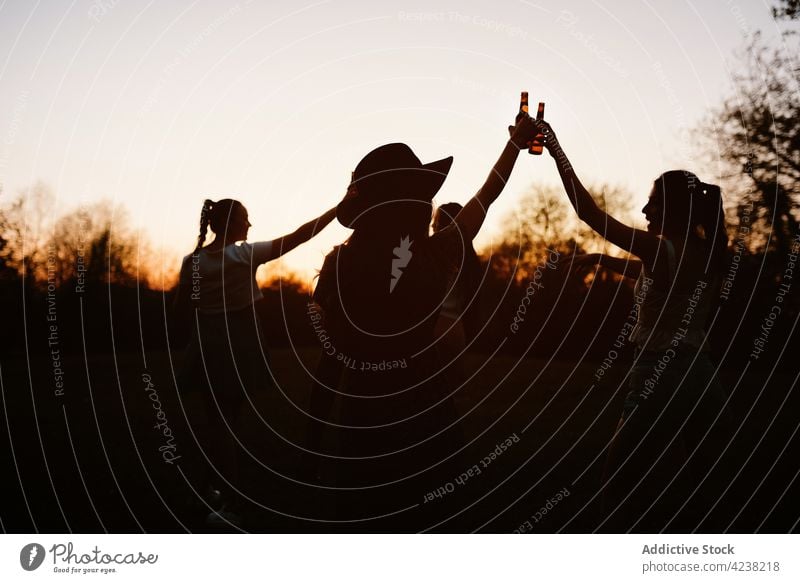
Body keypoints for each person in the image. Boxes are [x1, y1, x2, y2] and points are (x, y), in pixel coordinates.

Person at [309, 113, 540, 526]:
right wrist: (514, 147)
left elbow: (331, 360)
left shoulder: (339, 264)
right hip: (429, 411)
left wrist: (312, 439)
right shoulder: (435, 255)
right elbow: (484, 199)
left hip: (365, 419)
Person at [536, 121, 732, 531]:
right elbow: (661, 282)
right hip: (702, 379)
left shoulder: (659, 249)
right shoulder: (707, 251)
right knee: (702, 493)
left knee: (618, 487)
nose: (645, 211)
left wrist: (555, 149)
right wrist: (601, 260)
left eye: (653, 204)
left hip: (657, 376)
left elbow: (588, 213)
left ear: (673, 210)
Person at [174, 198, 336, 527]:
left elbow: (181, 307)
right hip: (239, 346)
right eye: (246, 220)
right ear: (233, 224)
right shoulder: (244, 255)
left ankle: (207, 492)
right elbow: (302, 235)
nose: (250, 226)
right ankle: (230, 504)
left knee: (221, 423)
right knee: (225, 424)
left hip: (206, 345)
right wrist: (341, 207)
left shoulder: (192, 261)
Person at [431, 202, 481, 390]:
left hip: (434, 329)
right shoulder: (470, 262)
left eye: (435, 224)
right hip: (457, 332)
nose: (433, 228)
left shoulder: (433, 257)